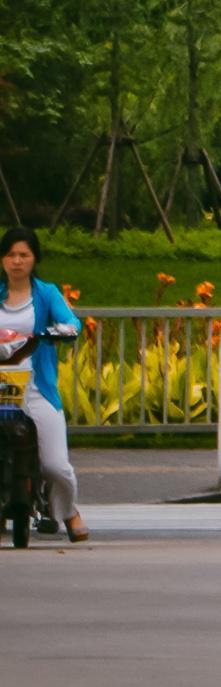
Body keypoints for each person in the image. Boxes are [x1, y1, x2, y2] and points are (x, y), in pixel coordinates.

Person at [0, 227, 89, 543]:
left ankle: (68, 511)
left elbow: (72, 323)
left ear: (34, 258)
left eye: (24, 254)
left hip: (36, 390)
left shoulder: (47, 293)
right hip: (1, 389)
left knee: (55, 466)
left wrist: (59, 332)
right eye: (11, 254)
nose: (17, 261)